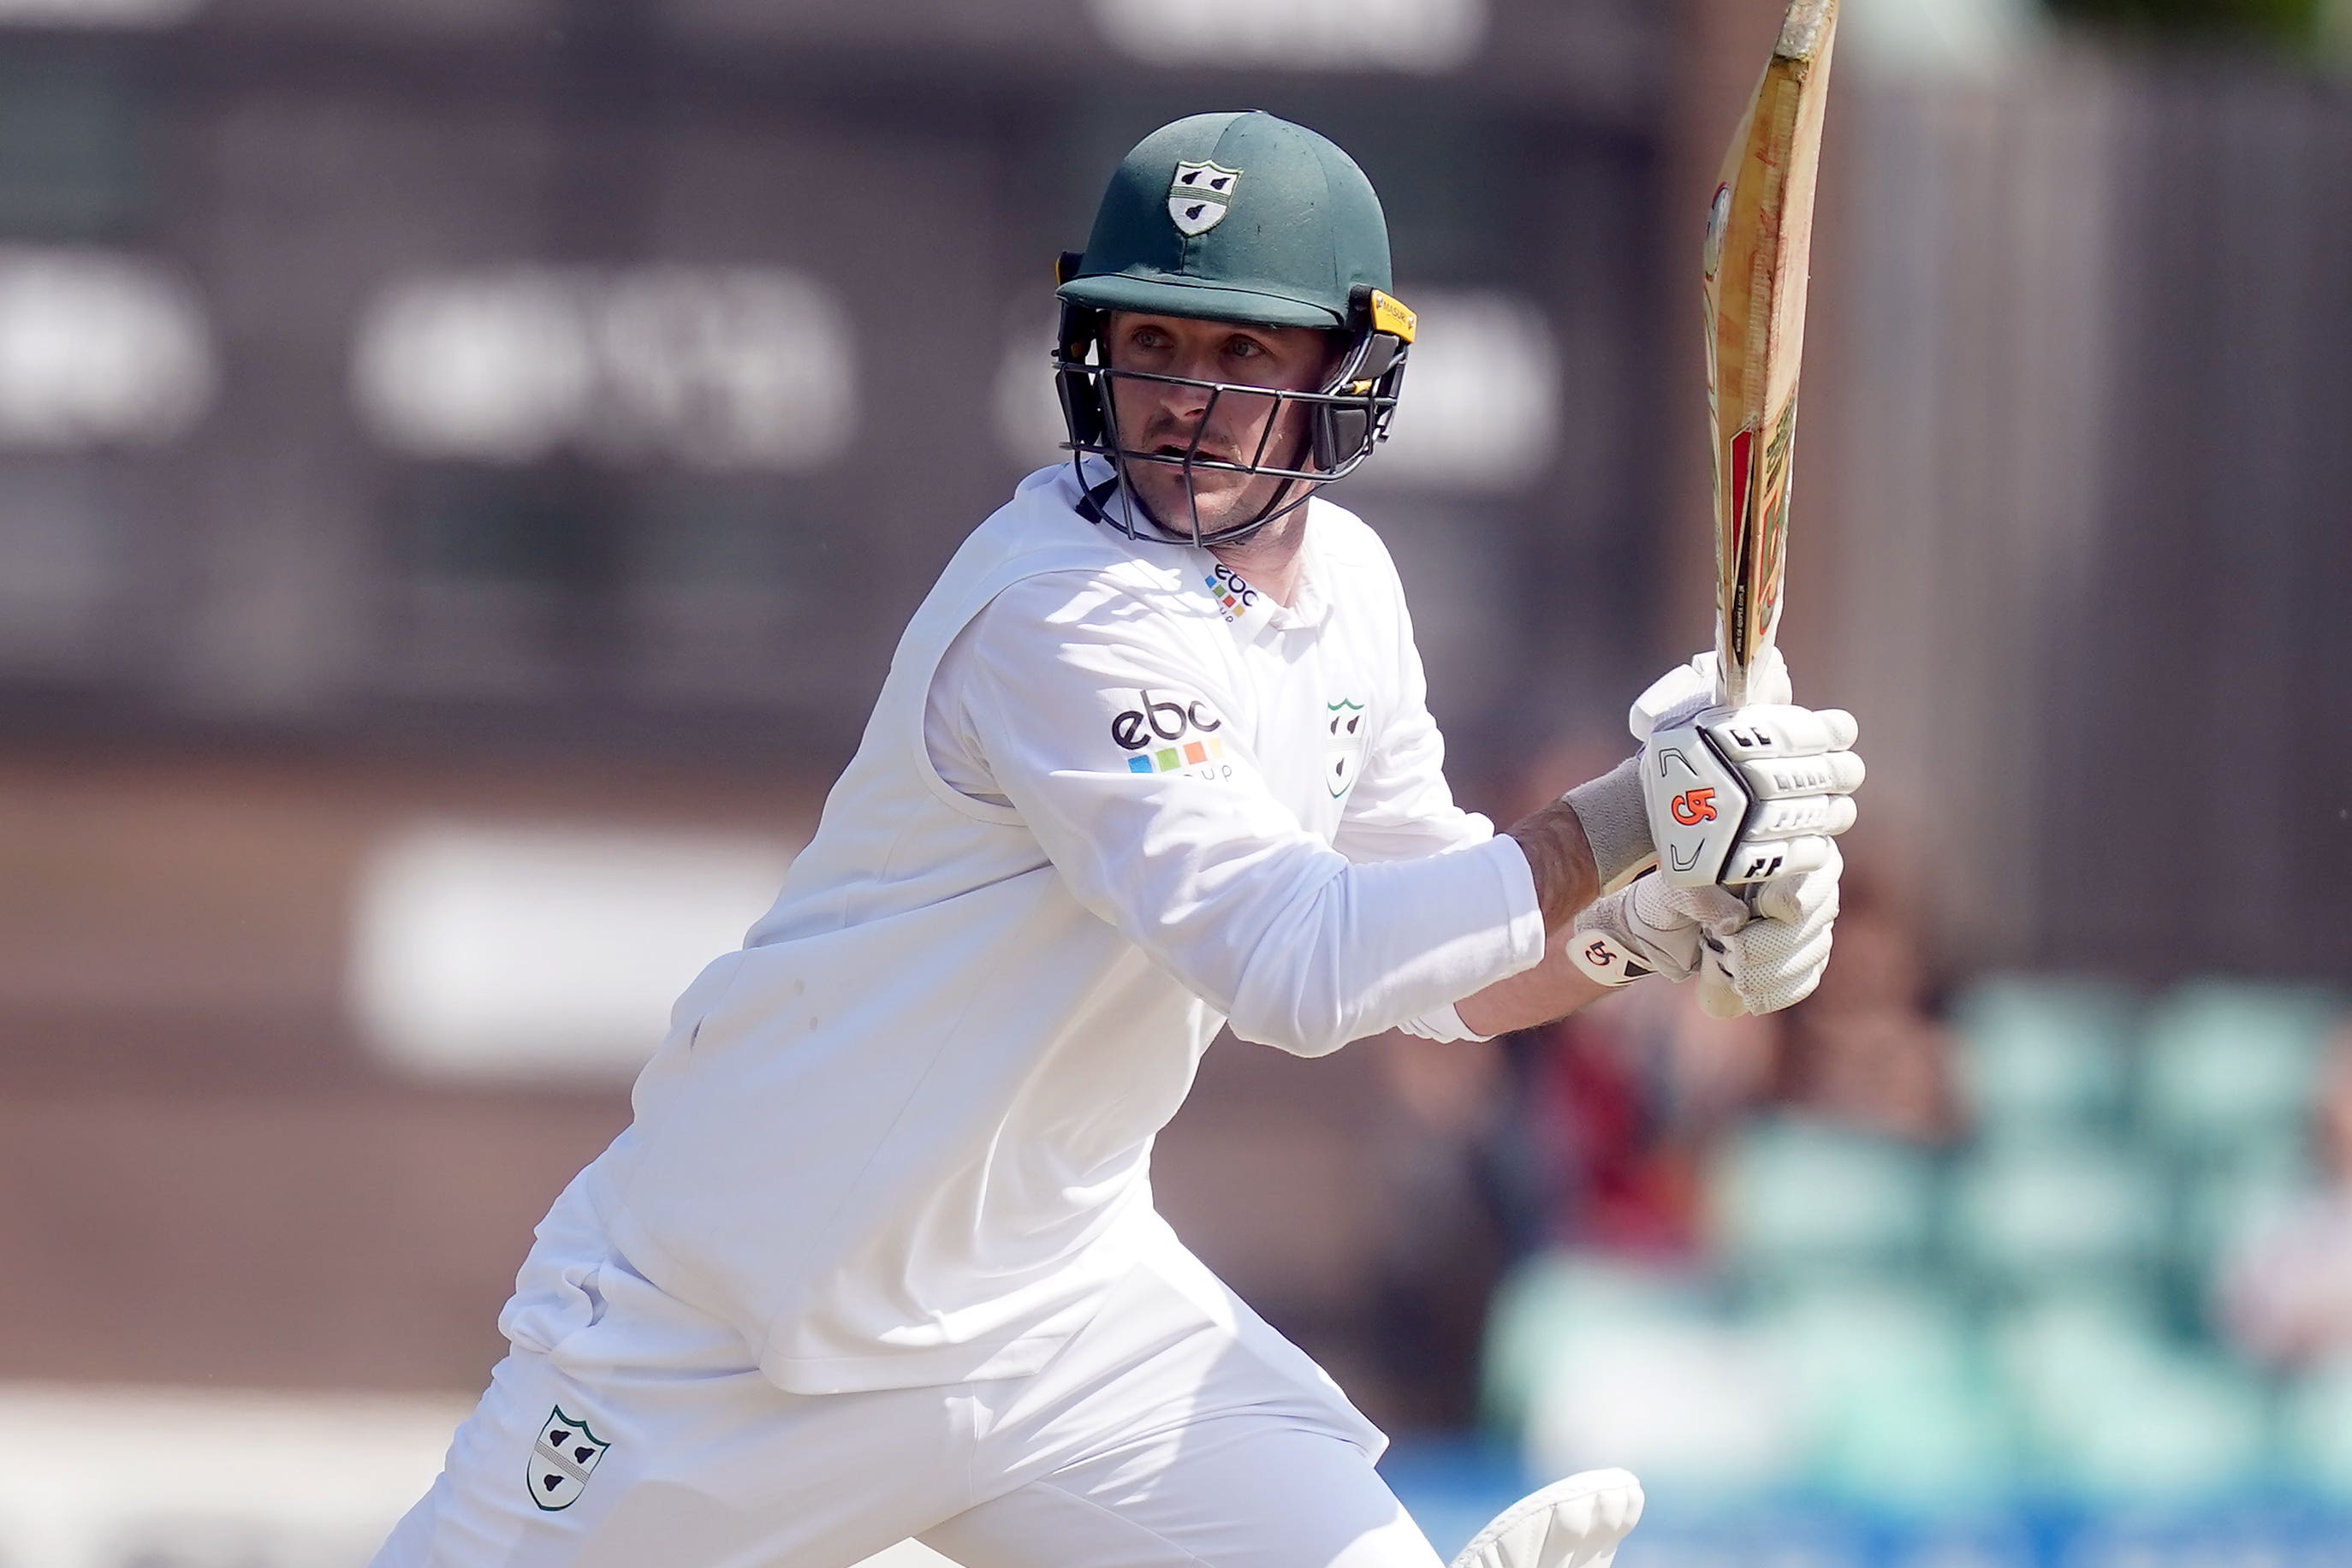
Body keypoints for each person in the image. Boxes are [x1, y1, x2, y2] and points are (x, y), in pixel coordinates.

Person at [375, 110, 1861, 1568]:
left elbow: (1444, 965)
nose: (1185, 399)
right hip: (738, 1329)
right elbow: (1295, 966)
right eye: (1152, 343)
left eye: (1240, 353)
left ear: (1351, 375)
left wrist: (1646, 925)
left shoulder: (1349, 586)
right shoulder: (1059, 614)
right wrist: (1626, 821)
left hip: (1060, 1319)